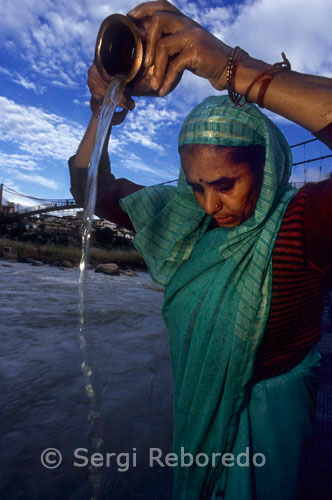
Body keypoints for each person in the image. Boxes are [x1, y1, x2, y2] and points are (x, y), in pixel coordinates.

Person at [69, 2, 332, 499]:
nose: (210, 204)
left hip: (272, 441)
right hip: (197, 435)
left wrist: (224, 63)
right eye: (195, 186)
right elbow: (89, 188)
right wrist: (102, 109)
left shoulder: (303, 225)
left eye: (226, 183)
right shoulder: (185, 220)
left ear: (268, 166)